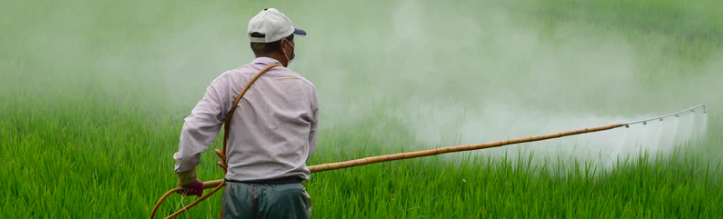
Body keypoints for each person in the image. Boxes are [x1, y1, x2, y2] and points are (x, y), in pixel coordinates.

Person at [171, 8, 317, 219]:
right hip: (287, 196)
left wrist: (187, 176)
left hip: (239, 195)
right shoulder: (305, 88)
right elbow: (308, 148)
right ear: (284, 44)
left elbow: (194, 127)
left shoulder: (228, 82)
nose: (294, 46)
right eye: (292, 40)